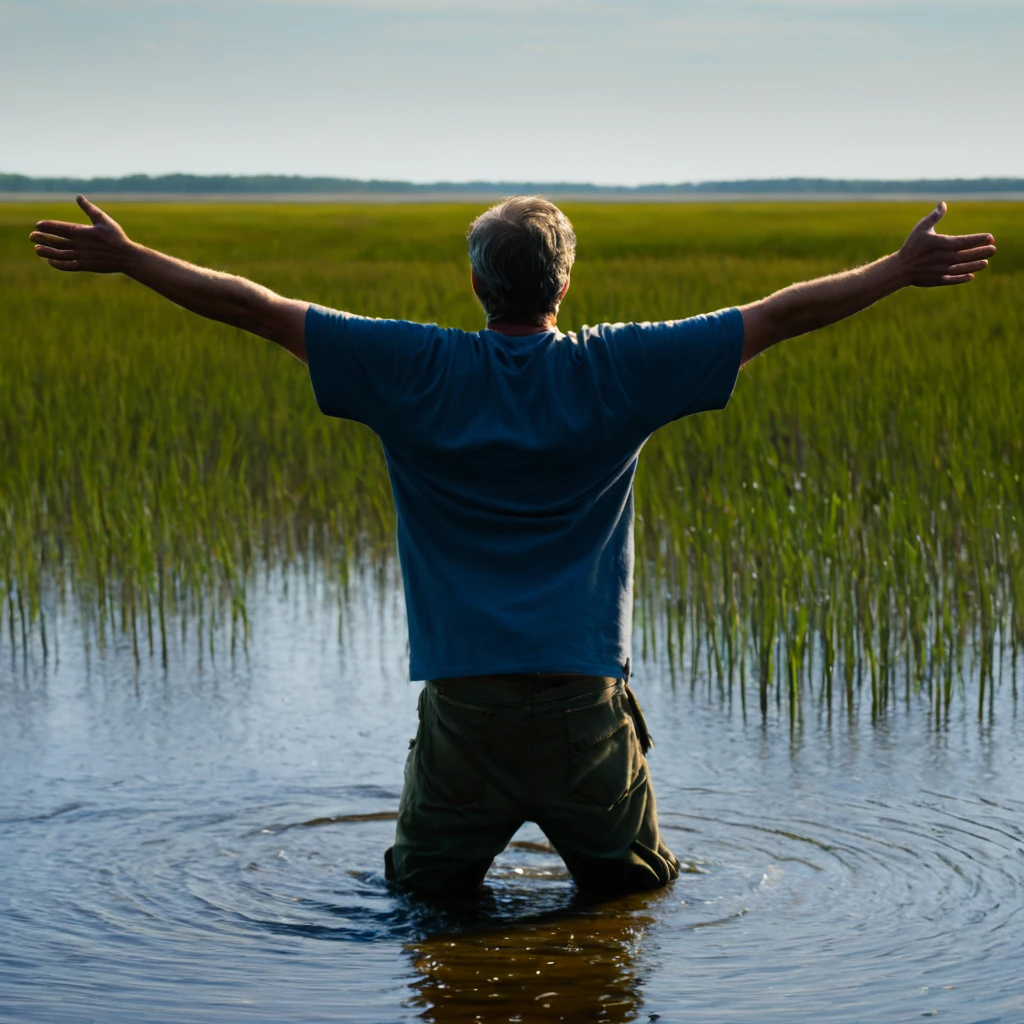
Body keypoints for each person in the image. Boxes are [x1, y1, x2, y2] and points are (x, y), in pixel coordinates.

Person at [31, 194, 996, 896]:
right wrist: (899, 271)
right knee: (634, 904)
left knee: (423, 906)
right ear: (564, 282)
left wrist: (131, 257)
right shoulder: (619, 367)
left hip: (466, 710)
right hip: (583, 706)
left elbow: (255, 306)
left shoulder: (413, 367)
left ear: (476, 283)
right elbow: (781, 315)